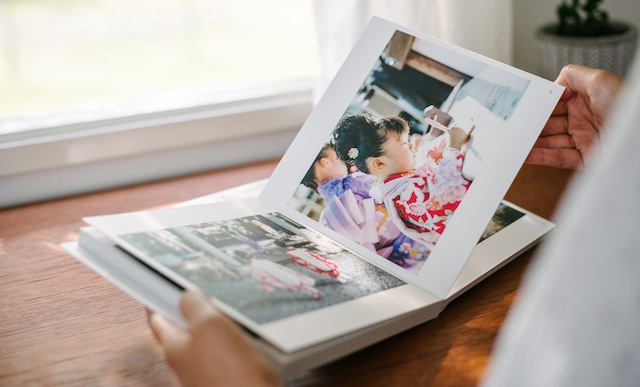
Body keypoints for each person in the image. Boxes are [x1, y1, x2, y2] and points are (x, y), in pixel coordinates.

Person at [148, 64, 627, 387]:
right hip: (434, 219)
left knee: (437, 152)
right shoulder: (390, 190)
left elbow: (421, 160)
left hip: (414, 212)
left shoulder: (390, 177)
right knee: (448, 165)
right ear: (375, 166)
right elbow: (438, 184)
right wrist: (454, 148)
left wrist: (439, 135)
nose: (411, 147)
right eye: (402, 146)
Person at [332, 113, 473, 246]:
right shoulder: (401, 196)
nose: (411, 145)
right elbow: (447, 199)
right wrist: (452, 146)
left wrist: (441, 146)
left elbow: (422, 160)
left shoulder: (396, 177)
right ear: (380, 163)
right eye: (404, 143)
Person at [301, 142, 429, 270]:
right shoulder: (354, 182)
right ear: (325, 162)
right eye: (336, 158)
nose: (343, 162)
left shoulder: (326, 219)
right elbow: (395, 189)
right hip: (414, 228)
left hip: (397, 256)